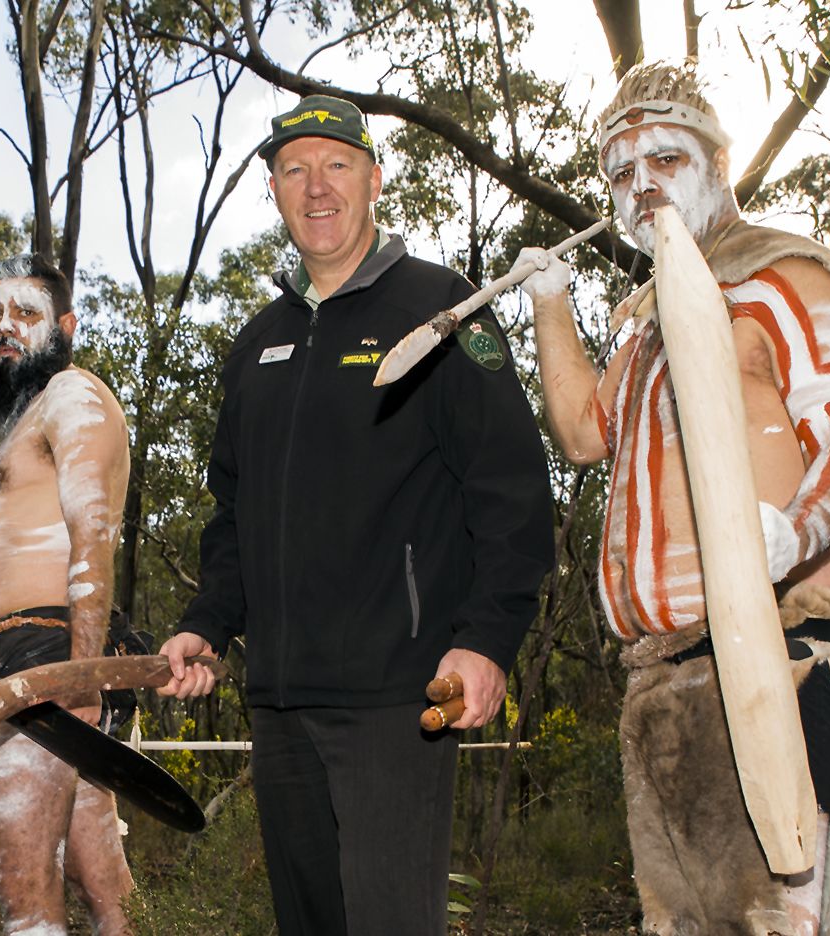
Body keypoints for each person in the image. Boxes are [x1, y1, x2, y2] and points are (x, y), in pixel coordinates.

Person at [512, 61, 830, 935]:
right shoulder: (645, 326)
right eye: (619, 171)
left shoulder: (787, 277)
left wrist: (792, 537)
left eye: (667, 161)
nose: (641, 186)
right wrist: (551, 305)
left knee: (789, 919)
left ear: (720, 166)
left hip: (783, 660)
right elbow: (581, 435)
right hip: (664, 682)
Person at [154, 94, 556, 935]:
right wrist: (206, 624)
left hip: (394, 700)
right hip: (280, 707)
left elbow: (512, 490)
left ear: (374, 180)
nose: (316, 187)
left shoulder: (442, 310)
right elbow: (234, 515)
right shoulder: (258, 344)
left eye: (337, 165)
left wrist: (486, 638)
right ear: (273, 190)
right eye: (294, 170)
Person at [0, 253, 142, 936]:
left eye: (26, 313)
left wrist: (81, 677)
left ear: (63, 325)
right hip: (22, 661)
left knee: (25, 891)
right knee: (105, 894)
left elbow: (90, 530)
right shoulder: (27, 419)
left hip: (49, 662)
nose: (6, 327)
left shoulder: (71, 395)